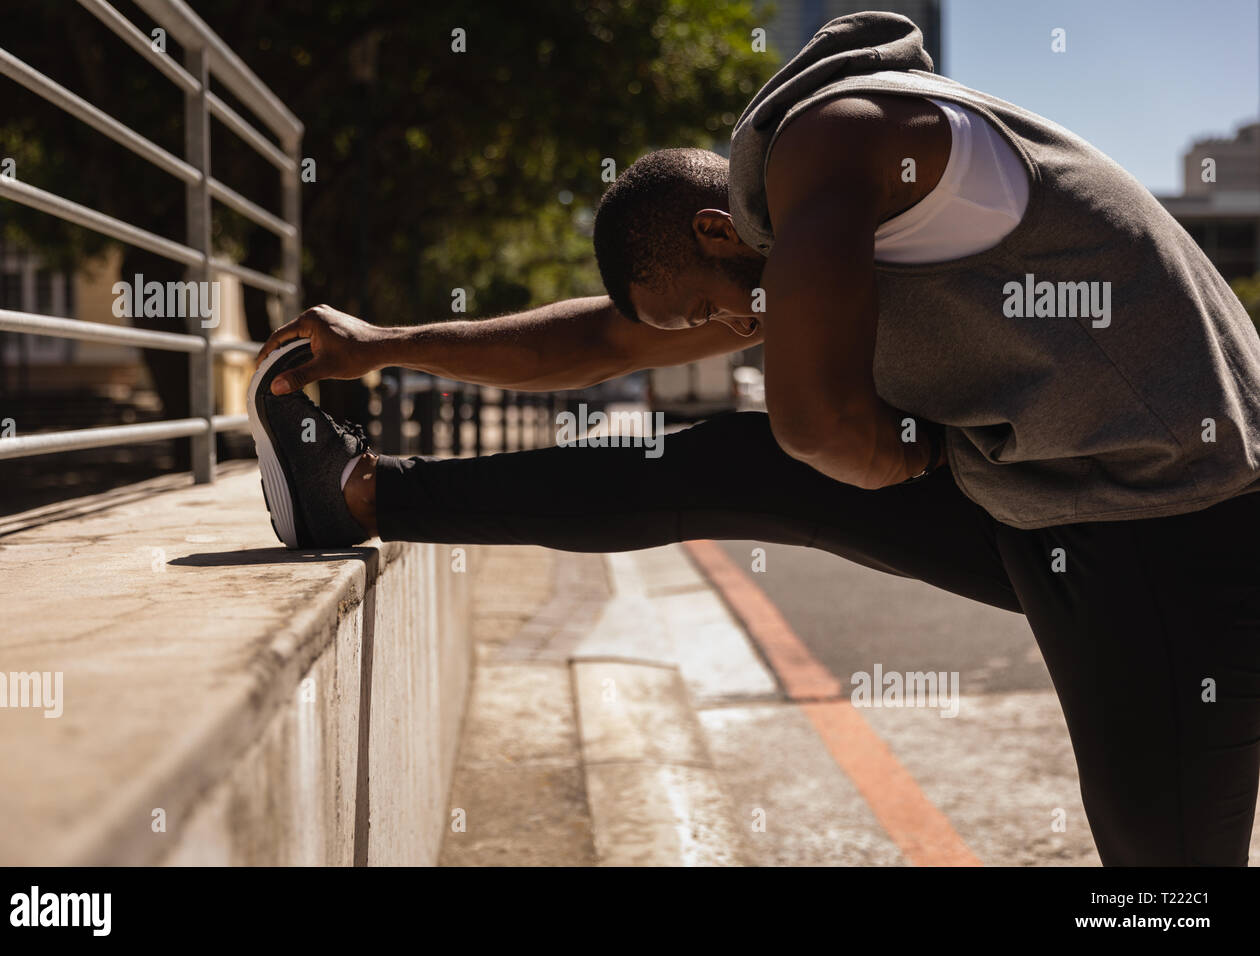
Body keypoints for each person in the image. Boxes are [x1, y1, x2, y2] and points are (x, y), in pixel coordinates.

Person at [248, 12, 1260, 865]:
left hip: (1175, 507)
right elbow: (602, 336)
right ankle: (365, 493)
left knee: (1163, 871)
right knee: (718, 463)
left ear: (713, 232)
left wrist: (905, 453)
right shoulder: (782, 216)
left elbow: (818, 423)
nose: (729, 330)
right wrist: (379, 346)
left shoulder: (836, 142)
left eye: (701, 312)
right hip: (1050, 487)